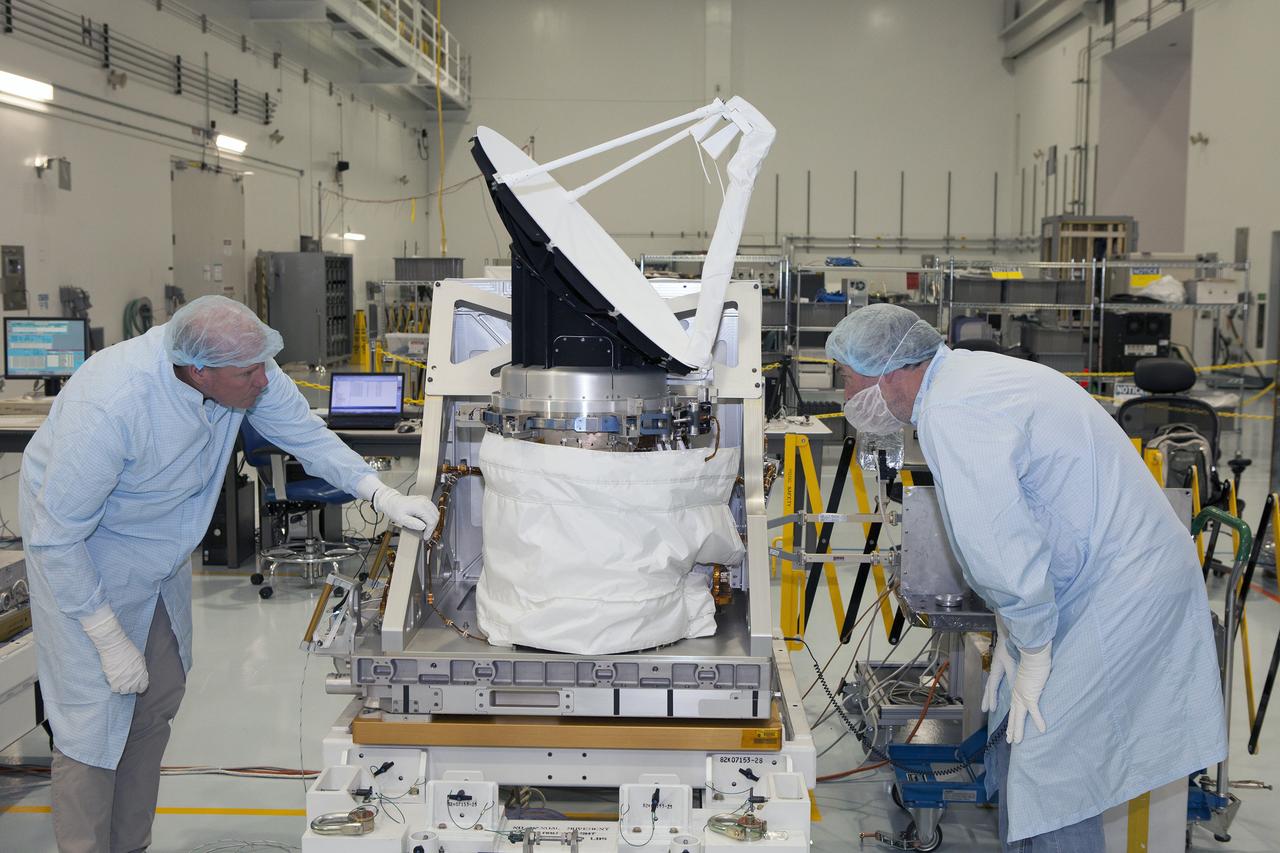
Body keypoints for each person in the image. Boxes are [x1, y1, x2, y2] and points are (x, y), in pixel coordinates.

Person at [19, 295, 439, 853]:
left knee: (156, 700)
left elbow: (305, 435)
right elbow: (56, 534)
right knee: (91, 725)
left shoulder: (236, 371)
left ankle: (130, 844)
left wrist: (378, 492)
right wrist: (103, 632)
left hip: (160, 552)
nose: (263, 381)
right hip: (89, 559)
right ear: (199, 370)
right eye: (249, 373)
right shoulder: (112, 404)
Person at [825, 303, 1226, 851]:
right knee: (1027, 750)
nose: (848, 396)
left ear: (890, 370)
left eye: (849, 378)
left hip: (1122, 592)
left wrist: (1032, 643)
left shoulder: (953, 409)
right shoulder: (964, 379)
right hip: (1100, 578)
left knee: (1054, 768)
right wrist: (1017, 635)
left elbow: (999, 546)